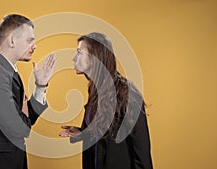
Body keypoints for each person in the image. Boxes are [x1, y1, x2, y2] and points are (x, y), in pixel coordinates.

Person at [0, 14, 56, 169]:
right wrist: (22, 114)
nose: (35, 46)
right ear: (12, 40)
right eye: (30, 40)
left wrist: (40, 86)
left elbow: (27, 119)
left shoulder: (5, 71)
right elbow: (20, 127)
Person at [59, 32, 153, 169]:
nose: (74, 58)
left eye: (79, 53)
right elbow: (103, 138)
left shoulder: (127, 93)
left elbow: (141, 149)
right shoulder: (95, 91)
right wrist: (83, 133)